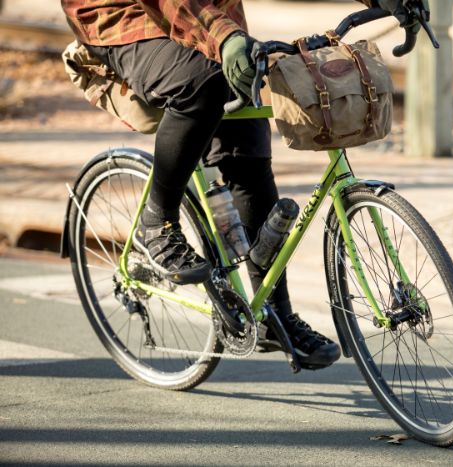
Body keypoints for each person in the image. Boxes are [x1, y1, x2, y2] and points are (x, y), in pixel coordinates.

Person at [60, 0, 423, 370]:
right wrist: (226, 38)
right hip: (124, 20)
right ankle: (156, 220)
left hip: (206, 20)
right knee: (201, 83)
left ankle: (273, 316)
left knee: (247, 156)